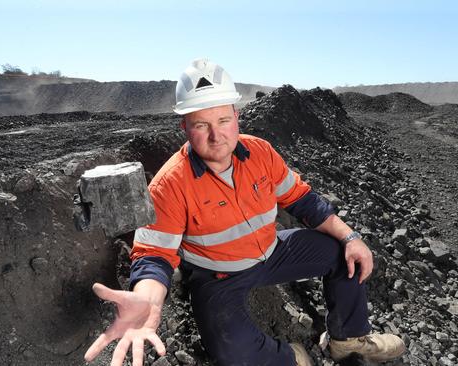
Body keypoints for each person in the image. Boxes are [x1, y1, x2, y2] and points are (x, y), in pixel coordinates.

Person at [84, 59, 405, 366]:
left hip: (273, 251)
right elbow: (154, 255)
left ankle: (347, 340)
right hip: (218, 275)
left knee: (343, 253)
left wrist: (350, 236)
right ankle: (290, 357)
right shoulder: (169, 184)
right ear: (184, 126)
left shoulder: (260, 152)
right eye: (201, 125)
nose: (216, 135)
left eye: (224, 120)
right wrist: (148, 299)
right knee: (233, 355)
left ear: (236, 116)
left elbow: (302, 199)